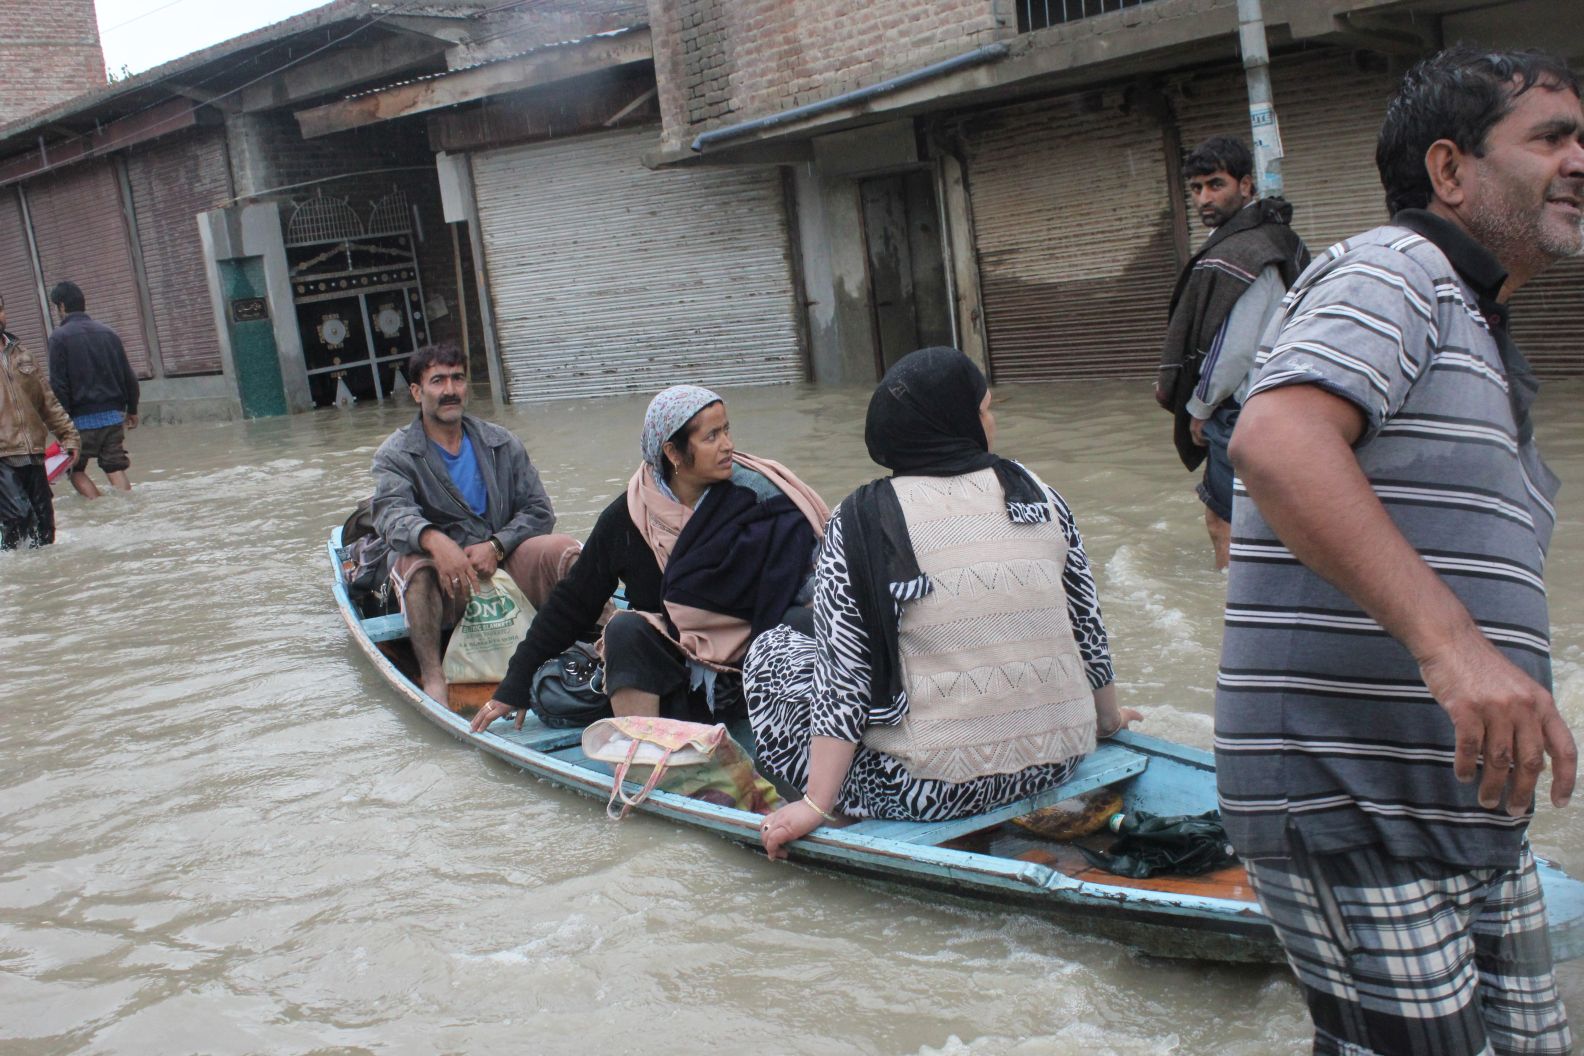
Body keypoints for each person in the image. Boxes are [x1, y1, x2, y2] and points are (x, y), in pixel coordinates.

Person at [1217, 47, 1582, 1055]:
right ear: (1451, 171)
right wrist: (1455, 648)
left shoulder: (1477, 322)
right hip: (1350, 801)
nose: (1580, 158)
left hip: (1459, 811)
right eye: (1551, 137)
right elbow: (1277, 441)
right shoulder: (1396, 269)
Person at [745, 348, 1139, 860]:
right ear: (956, 421)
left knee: (773, 649)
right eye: (985, 408)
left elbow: (844, 675)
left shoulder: (860, 518)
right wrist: (1106, 721)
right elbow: (1086, 625)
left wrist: (815, 806)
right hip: (1058, 760)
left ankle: (840, 800)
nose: (991, 421)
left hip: (934, 793)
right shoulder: (1038, 492)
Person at [470, 384, 828, 734]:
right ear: (673, 453)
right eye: (711, 437)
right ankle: (643, 754)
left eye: (726, 431)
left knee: (804, 621)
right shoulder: (627, 519)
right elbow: (574, 602)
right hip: (676, 680)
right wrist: (514, 684)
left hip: (758, 669)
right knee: (624, 629)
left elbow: (815, 579)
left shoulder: (760, 501)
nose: (728, 446)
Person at [372, 342, 582, 706]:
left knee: (563, 549)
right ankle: (435, 677)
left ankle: (593, 646)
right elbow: (391, 513)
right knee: (414, 568)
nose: (450, 390)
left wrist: (497, 545)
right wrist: (435, 541)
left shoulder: (500, 442)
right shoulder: (397, 453)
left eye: (457, 379)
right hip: (445, 581)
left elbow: (538, 510)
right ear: (417, 392)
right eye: (437, 381)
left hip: (500, 562)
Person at [1154, 136, 1309, 569]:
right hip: (1278, 403)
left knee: (1224, 520)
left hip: (1242, 406)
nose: (1205, 198)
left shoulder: (1247, 251)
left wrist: (1200, 408)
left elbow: (1233, 349)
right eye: (1197, 188)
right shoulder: (1275, 237)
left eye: (1216, 185)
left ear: (1246, 185)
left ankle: (1229, 610)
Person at [45, 281, 140, 500]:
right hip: (112, 419)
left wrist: (62, 425)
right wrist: (132, 409)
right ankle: (127, 507)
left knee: (74, 469)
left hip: (79, 423)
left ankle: (98, 505)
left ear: (61, 306)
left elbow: (58, 385)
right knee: (114, 465)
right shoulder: (109, 333)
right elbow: (129, 377)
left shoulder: (58, 338)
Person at [0, 294, 78, 550]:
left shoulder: (23, 355)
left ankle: (43, 583)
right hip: (2, 457)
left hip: (32, 451)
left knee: (45, 528)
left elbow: (48, 401)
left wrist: (68, 435)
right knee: (19, 515)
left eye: (0, 309)